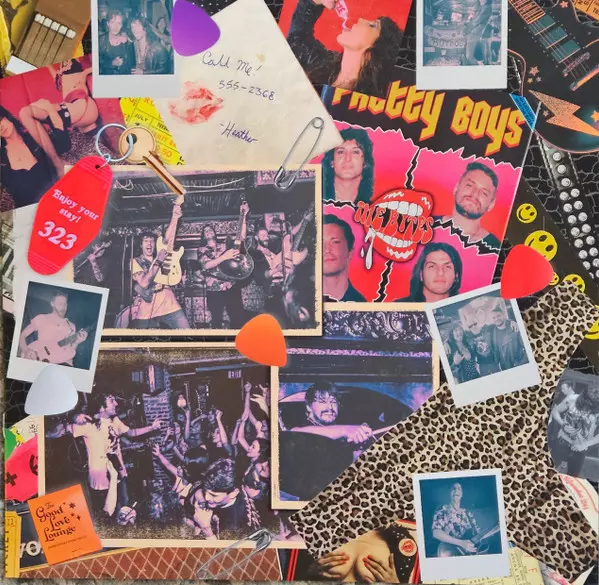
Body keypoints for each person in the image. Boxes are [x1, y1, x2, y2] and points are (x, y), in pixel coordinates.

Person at [46, 393, 162, 517]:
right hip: (101, 480)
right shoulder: (89, 424)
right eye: (111, 401)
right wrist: (71, 418)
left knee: (123, 511)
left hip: (119, 474)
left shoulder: (115, 421)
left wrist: (152, 427)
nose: (116, 403)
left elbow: (131, 432)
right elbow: (52, 434)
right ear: (102, 407)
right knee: (107, 514)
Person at [287, 0, 403, 97]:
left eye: (372, 25)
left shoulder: (362, 104)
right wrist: (315, 2)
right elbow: (298, 36)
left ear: (375, 52)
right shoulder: (322, 64)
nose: (361, 19)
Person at [19, 59, 99, 174]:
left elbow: (91, 70)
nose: (64, 66)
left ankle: (59, 150)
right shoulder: (61, 83)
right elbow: (55, 75)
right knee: (33, 108)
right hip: (75, 112)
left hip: (81, 106)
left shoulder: (79, 77)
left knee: (41, 106)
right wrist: (49, 67)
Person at [130, 200, 190, 329]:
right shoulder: (135, 261)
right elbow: (144, 283)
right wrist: (158, 261)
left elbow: (167, 239)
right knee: (139, 338)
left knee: (186, 331)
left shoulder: (160, 253)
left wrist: (174, 217)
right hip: (148, 304)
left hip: (168, 301)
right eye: (146, 241)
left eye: (152, 241)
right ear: (140, 245)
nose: (149, 244)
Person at [198, 201, 250, 328]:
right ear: (203, 236)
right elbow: (206, 265)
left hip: (231, 287)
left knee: (238, 319)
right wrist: (224, 257)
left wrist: (243, 216)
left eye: (210, 230)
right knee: (216, 321)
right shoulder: (201, 250)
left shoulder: (225, 245)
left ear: (214, 233)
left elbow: (241, 238)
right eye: (206, 231)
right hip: (214, 290)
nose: (208, 231)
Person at [0, 105, 58, 207]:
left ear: (7, 116)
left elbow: (64, 144)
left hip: (56, 201)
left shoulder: (35, 137)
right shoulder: (2, 160)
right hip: (28, 212)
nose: (0, 127)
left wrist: (50, 111)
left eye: (0, 120)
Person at [434, 162, 501, 250]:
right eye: (469, 185)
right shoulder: (426, 224)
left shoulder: (495, 248)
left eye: (484, 193)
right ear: (456, 188)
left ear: (491, 204)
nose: (475, 194)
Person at [191, 458, 262, 538]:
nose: (207, 498)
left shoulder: (234, 526)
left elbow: (225, 547)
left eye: (214, 495)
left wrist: (206, 530)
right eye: (205, 491)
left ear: (233, 493)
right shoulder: (234, 485)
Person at [18, 290, 88, 366]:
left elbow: (71, 350)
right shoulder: (42, 318)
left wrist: (77, 342)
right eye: (60, 304)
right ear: (52, 304)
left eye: (65, 304)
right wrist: (26, 350)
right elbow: (23, 335)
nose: (63, 307)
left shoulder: (72, 326)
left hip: (64, 363)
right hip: (40, 358)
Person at [290, 382, 374, 445]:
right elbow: (295, 432)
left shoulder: (342, 431)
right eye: (322, 401)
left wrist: (359, 446)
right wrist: (346, 430)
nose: (330, 407)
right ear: (309, 406)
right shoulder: (302, 427)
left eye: (333, 401)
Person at [550, 387, 599, 477]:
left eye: (589, 409)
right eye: (584, 406)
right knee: (550, 473)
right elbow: (555, 411)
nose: (585, 410)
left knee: (572, 477)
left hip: (580, 448)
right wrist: (562, 424)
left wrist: (584, 445)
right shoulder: (572, 399)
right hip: (562, 441)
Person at [394, 242, 462, 302]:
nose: (440, 273)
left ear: (456, 275)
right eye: (432, 266)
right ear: (421, 275)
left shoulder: (465, 309)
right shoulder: (399, 308)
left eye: (447, 267)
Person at [322, 128, 374, 203]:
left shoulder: (375, 207)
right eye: (341, 152)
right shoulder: (315, 201)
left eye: (355, 152)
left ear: (365, 162)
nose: (347, 159)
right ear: (331, 161)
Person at [323, 214, 366, 302]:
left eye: (335, 242)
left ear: (350, 252)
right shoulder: (302, 300)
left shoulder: (360, 303)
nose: (326, 249)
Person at [432, 482, 480, 557]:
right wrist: (462, 543)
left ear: (462, 494)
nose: (456, 490)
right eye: (453, 489)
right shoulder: (442, 510)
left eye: (459, 489)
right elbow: (436, 533)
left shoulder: (468, 513)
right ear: (449, 493)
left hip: (467, 554)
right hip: (449, 552)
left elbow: (477, 533)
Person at [488, 302, 527, 370]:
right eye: (494, 317)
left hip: (519, 364)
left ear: (503, 315)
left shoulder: (514, 328)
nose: (496, 319)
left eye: (498, 315)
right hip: (505, 367)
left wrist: (522, 363)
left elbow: (526, 347)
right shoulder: (492, 332)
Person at [99, 10, 135, 76]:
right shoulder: (100, 40)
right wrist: (112, 63)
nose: (115, 27)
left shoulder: (127, 41)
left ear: (122, 25)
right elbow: (97, 63)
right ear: (108, 24)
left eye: (119, 23)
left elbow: (132, 63)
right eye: (112, 22)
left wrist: (125, 34)